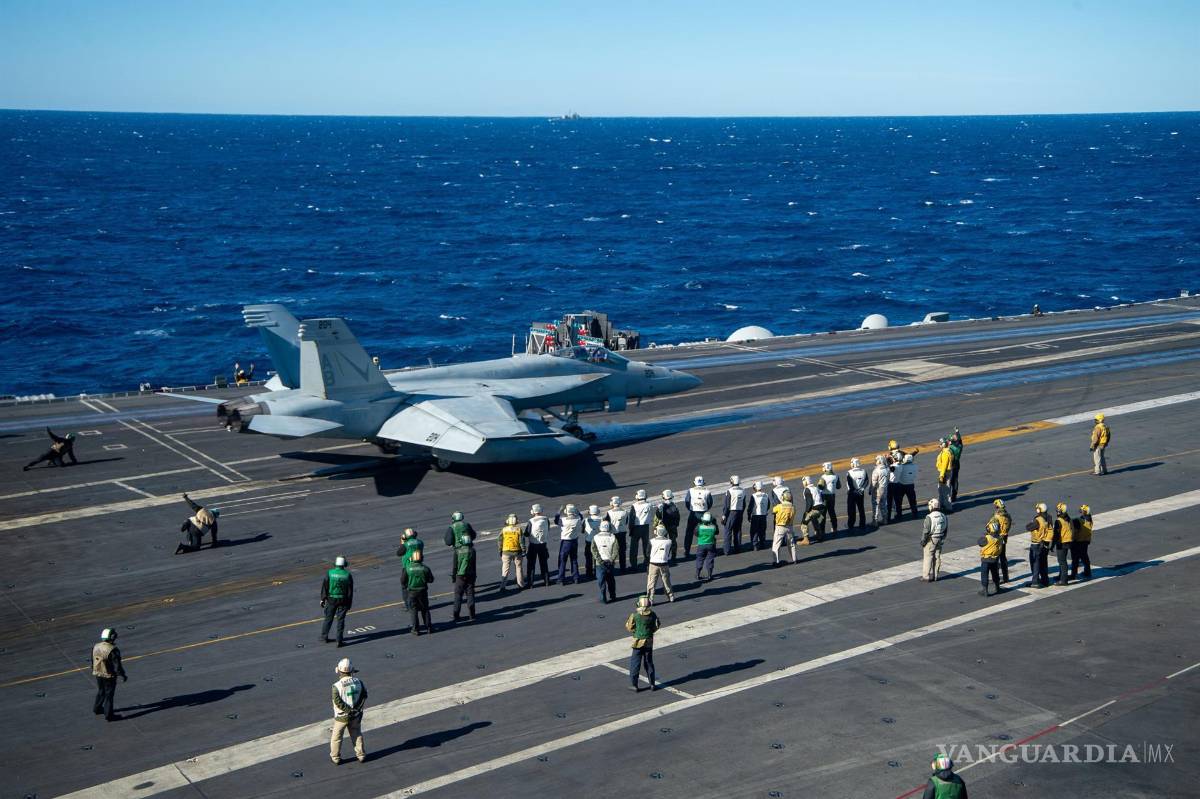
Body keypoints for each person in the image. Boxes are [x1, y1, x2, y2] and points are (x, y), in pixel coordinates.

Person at [329, 657, 367, 765]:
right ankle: (361, 755)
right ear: (352, 671)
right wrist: (356, 709)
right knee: (356, 734)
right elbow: (364, 696)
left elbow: (338, 702)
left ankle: (335, 757)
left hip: (341, 717)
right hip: (356, 715)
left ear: (339, 671)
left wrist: (348, 710)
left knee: (336, 737)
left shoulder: (336, 686)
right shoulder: (359, 682)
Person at [625, 595, 661, 692]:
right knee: (649, 662)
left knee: (635, 663)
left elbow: (629, 627)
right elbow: (656, 626)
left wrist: (635, 631)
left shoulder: (635, 615)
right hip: (649, 641)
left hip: (638, 642)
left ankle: (634, 685)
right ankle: (652, 684)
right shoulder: (653, 615)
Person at [91, 628, 127, 721]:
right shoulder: (112, 649)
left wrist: (95, 669)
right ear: (112, 637)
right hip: (108, 675)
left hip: (98, 673)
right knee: (109, 695)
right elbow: (117, 666)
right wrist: (122, 675)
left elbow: (93, 660)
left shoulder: (96, 646)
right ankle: (109, 716)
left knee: (101, 691)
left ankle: (97, 709)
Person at [319, 556, 353, 647]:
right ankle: (339, 640)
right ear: (344, 564)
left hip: (331, 599)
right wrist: (349, 604)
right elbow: (350, 591)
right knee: (340, 620)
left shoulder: (330, 573)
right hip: (343, 600)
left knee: (328, 619)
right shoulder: (347, 575)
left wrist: (322, 599)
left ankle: (324, 637)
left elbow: (325, 586)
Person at [402, 550, 435, 634]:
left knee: (414, 610)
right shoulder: (425, 568)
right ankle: (429, 627)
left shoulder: (407, 568)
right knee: (425, 609)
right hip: (423, 591)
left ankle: (415, 629)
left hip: (412, 592)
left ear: (412, 558)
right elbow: (431, 580)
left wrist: (408, 585)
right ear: (422, 558)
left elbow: (403, 581)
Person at [683, 476, 712, 558]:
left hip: (693, 514)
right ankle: (705, 550)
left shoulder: (690, 490)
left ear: (694, 483)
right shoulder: (707, 491)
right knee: (704, 532)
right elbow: (710, 503)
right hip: (703, 514)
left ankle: (686, 551)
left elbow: (687, 502)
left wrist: (691, 509)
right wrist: (705, 509)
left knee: (689, 533)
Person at [524, 504, 552, 587]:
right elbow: (548, 529)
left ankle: (530, 583)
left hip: (533, 545)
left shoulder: (531, 521)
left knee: (531, 564)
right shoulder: (546, 519)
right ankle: (546, 581)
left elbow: (527, 533)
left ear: (533, 511)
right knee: (544, 563)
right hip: (543, 544)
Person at [921, 499, 948, 582]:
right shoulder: (943, 516)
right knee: (937, 556)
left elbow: (926, 531)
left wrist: (923, 541)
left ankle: (926, 576)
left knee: (928, 556)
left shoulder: (929, 517)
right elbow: (946, 529)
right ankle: (935, 576)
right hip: (940, 538)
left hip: (931, 539)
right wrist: (943, 538)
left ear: (931, 506)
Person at [555, 504, 583, 585]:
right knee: (574, 560)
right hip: (574, 541)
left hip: (565, 542)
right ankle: (576, 578)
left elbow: (556, 520)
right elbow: (581, 517)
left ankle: (561, 579)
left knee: (562, 561)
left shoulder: (563, 520)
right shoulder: (578, 519)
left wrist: (559, 511)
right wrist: (577, 511)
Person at [646, 524, 675, 603]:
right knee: (666, 581)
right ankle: (671, 596)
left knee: (651, 583)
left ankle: (650, 599)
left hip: (653, 564)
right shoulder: (669, 541)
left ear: (657, 532)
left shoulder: (652, 541)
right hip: (664, 564)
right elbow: (669, 551)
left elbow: (647, 553)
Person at [452, 532, 476, 623]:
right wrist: (474, 576)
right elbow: (474, 565)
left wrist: (454, 577)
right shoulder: (472, 551)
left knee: (458, 595)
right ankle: (472, 614)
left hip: (460, 576)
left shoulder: (457, 551)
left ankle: (456, 615)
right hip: (470, 575)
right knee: (470, 594)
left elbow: (455, 566)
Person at [592, 520, 619, 603]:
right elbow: (616, 550)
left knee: (601, 582)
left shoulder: (595, 537)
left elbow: (593, 550)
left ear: (600, 527)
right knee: (611, 581)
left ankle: (603, 598)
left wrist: (599, 560)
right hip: (610, 563)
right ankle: (613, 596)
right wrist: (612, 560)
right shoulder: (613, 537)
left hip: (600, 564)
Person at [396, 528, 423, 608]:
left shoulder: (406, 545)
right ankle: (419, 604)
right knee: (418, 585)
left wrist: (402, 542)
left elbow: (399, 553)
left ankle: (408, 605)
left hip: (407, 567)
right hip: (419, 565)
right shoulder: (420, 542)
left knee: (404, 585)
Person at [1027, 503, 1052, 589]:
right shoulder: (1049, 517)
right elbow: (1050, 531)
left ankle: (1035, 581)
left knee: (1035, 563)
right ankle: (1045, 580)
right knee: (1043, 562)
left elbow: (1028, 527)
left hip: (1036, 543)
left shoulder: (1038, 520)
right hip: (1045, 543)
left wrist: (1031, 522)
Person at [498, 514, 526, 591]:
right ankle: (521, 584)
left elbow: (500, 541)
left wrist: (500, 550)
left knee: (505, 569)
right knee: (519, 568)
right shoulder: (518, 529)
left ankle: (502, 586)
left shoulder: (504, 530)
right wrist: (524, 550)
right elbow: (522, 542)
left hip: (506, 552)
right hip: (517, 552)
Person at [629, 490, 655, 570]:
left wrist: (630, 529)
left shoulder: (634, 505)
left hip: (636, 527)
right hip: (645, 527)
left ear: (637, 496)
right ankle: (647, 562)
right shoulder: (649, 505)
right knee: (646, 545)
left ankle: (634, 564)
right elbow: (652, 514)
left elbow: (631, 518)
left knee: (634, 547)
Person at [771, 489, 797, 566]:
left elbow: (773, 511)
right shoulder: (793, 507)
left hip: (780, 527)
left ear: (783, 497)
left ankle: (776, 561)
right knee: (791, 544)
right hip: (789, 527)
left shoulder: (779, 506)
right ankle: (794, 559)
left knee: (776, 544)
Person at [988, 499, 1012, 583]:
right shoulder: (1008, 515)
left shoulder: (996, 516)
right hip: (1004, 537)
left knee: (995, 558)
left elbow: (990, 527)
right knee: (1003, 557)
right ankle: (1006, 577)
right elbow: (1009, 526)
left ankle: (996, 578)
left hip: (997, 538)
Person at [978, 520, 1004, 597]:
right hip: (995, 559)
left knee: (984, 574)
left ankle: (985, 590)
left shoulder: (987, 538)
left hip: (986, 559)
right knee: (995, 573)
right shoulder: (1000, 538)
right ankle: (997, 587)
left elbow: (980, 542)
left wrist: (986, 535)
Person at [721, 475, 747, 554]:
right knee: (738, 530)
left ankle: (727, 550)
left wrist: (724, 515)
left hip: (731, 512)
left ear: (732, 481)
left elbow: (727, 505)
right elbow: (744, 504)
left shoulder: (729, 491)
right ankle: (738, 549)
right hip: (740, 512)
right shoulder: (743, 490)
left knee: (728, 531)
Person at [605, 496, 631, 572]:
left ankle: (611, 567)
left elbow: (607, 523)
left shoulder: (609, 512)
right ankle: (623, 568)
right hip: (622, 533)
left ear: (612, 503)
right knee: (622, 551)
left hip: (613, 534)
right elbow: (626, 522)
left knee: (611, 551)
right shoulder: (625, 512)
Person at [655, 490, 681, 562]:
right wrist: (676, 524)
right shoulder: (675, 505)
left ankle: (664, 556)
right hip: (673, 526)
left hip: (664, 526)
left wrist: (658, 510)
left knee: (663, 542)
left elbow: (658, 517)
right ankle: (673, 556)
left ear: (663, 497)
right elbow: (678, 517)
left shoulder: (661, 506)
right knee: (673, 541)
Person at [746, 480, 772, 551]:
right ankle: (762, 544)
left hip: (756, 516)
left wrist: (749, 515)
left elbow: (750, 507)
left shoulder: (753, 495)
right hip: (763, 515)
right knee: (762, 530)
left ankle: (754, 545)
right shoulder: (766, 495)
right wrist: (765, 511)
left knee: (754, 531)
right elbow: (768, 505)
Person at [800, 476, 826, 544]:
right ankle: (819, 535)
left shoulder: (807, 489)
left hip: (815, 509)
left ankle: (806, 540)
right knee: (814, 520)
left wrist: (806, 512)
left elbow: (809, 502)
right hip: (822, 509)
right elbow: (822, 498)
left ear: (805, 482)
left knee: (804, 523)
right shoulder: (816, 487)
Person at [694, 511, 719, 582]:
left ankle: (697, 574)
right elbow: (717, 532)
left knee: (700, 559)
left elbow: (695, 533)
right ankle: (709, 575)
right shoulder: (713, 527)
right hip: (711, 544)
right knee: (710, 559)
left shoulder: (699, 526)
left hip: (701, 545)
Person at [1053, 502, 1073, 586]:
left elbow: (1056, 534)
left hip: (1061, 543)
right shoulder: (1068, 518)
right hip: (1068, 542)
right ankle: (1061, 576)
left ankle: (1063, 580)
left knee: (1062, 562)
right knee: (1062, 560)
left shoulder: (1058, 521)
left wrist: (1052, 545)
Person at [1071, 504, 1093, 580]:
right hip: (1086, 540)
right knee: (1084, 557)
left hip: (1078, 541)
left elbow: (1076, 529)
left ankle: (1074, 574)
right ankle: (1087, 572)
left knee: (1075, 559)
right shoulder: (1089, 519)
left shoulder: (1081, 520)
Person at [845, 458, 868, 531]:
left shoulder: (849, 472)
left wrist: (854, 491)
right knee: (861, 508)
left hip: (852, 493)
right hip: (861, 493)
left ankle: (851, 524)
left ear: (853, 464)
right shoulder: (864, 471)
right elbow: (866, 481)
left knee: (851, 509)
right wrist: (862, 489)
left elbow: (850, 484)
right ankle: (862, 523)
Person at [582, 505, 604, 580]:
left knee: (588, 557)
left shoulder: (586, 520)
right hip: (598, 541)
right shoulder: (601, 519)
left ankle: (589, 572)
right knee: (597, 557)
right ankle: (597, 572)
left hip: (589, 540)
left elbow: (582, 531)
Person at [818, 462, 841, 533]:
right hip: (832, 497)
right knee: (832, 512)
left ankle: (822, 530)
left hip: (824, 497)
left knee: (822, 514)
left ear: (826, 468)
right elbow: (838, 486)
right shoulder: (836, 476)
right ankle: (834, 528)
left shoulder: (823, 477)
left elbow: (820, 487)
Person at [897, 453, 919, 519]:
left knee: (899, 501)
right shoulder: (915, 466)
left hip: (902, 485)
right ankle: (915, 513)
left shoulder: (901, 466)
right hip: (910, 485)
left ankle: (899, 514)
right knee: (912, 501)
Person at [870, 455, 890, 527]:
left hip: (878, 490)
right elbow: (888, 479)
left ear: (879, 461)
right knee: (883, 504)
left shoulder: (876, 470)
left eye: (876, 460)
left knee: (875, 505)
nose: (875, 461)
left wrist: (871, 490)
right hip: (885, 489)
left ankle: (875, 521)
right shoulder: (887, 469)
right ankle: (885, 519)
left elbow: (874, 483)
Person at [935, 438, 954, 513]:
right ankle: (942, 505)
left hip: (945, 473)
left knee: (946, 490)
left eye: (941, 443)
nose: (939, 445)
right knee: (941, 490)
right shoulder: (946, 451)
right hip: (945, 472)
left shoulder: (945, 453)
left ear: (944, 444)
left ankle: (948, 507)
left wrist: (942, 476)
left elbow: (944, 465)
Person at [948, 428, 964, 502]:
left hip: (951, 465)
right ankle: (954, 496)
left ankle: (948, 496)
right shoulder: (960, 446)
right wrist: (957, 432)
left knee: (949, 481)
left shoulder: (950, 448)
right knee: (955, 481)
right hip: (957, 464)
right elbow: (959, 440)